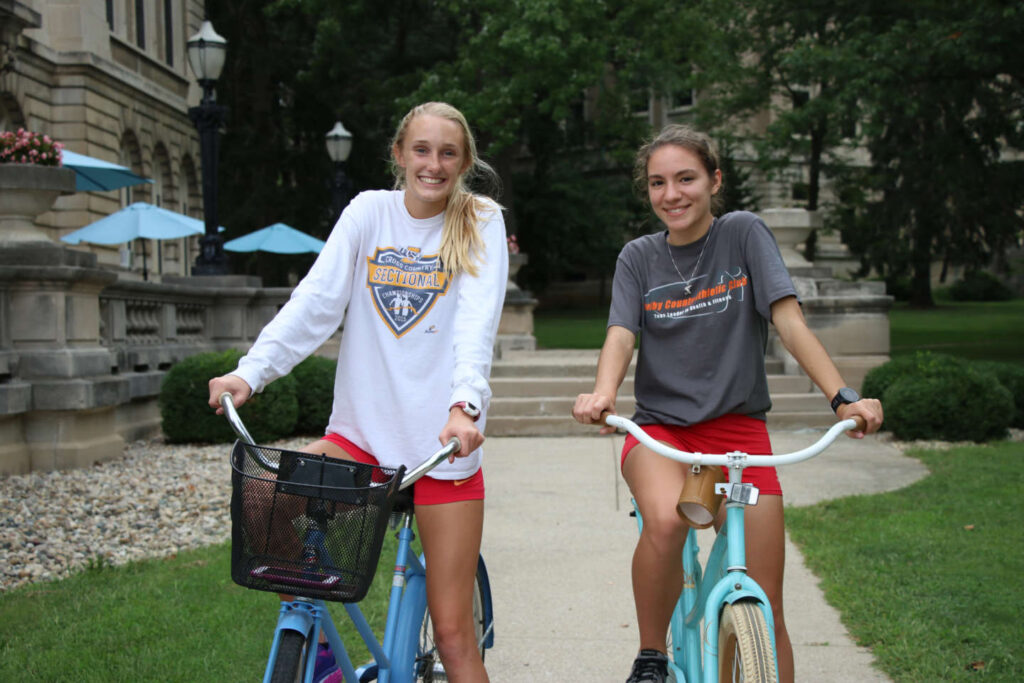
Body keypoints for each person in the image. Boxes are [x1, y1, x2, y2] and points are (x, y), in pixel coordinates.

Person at [571, 124, 883, 683]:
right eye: (658, 183)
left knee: (768, 605)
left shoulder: (743, 234)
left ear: (714, 180)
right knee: (666, 523)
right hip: (662, 435)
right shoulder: (638, 257)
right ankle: (651, 658)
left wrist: (843, 398)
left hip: (740, 436)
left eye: (686, 178)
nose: (672, 194)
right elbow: (621, 334)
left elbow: (788, 319)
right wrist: (604, 392)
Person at [209, 101, 508, 683]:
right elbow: (317, 301)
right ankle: (312, 632)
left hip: (442, 451)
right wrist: (252, 371)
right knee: (262, 498)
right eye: (421, 150)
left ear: (465, 160)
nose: (434, 164)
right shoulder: (369, 213)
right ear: (399, 155)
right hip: (361, 440)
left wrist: (463, 407)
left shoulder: (480, 218)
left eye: (448, 153)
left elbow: (477, 323)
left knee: (452, 634)